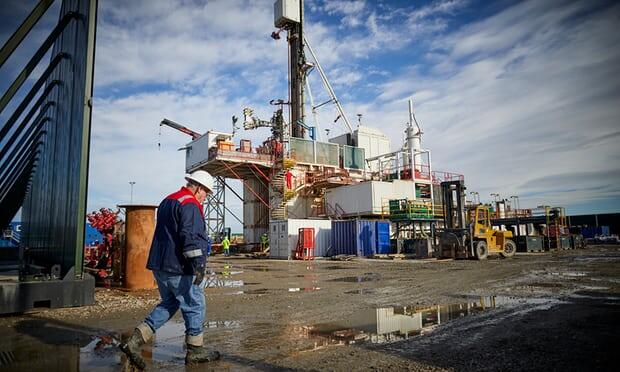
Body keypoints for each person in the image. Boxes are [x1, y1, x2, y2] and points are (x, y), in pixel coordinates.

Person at [120, 170, 219, 369]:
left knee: (170, 303)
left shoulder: (168, 200)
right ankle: (195, 351)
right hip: (180, 266)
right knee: (195, 303)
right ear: (199, 188)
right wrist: (198, 264)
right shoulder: (190, 204)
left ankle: (135, 341)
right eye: (206, 193)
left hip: (160, 265)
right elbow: (190, 236)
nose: (205, 198)